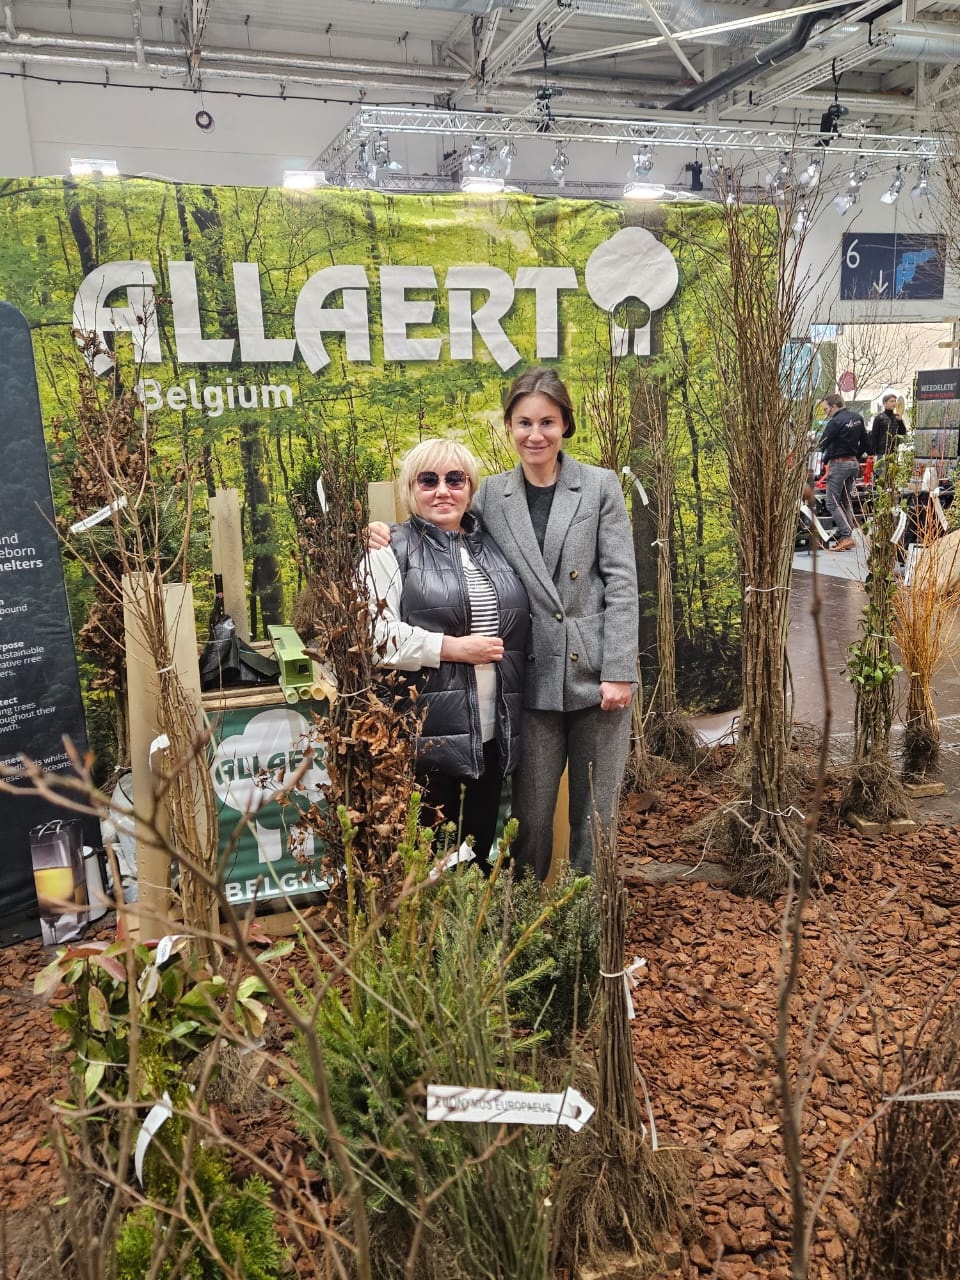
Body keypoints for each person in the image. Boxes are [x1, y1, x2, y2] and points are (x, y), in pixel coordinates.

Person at [368, 368, 638, 880]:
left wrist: (619, 669)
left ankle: (591, 917)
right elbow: (440, 527)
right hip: (530, 680)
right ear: (509, 427)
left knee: (597, 814)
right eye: (524, 423)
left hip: (596, 672)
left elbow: (622, 582)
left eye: (547, 422)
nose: (536, 435)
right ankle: (526, 914)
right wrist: (381, 532)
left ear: (565, 425)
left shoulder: (599, 486)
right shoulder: (491, 494)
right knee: (528, 818)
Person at [362, 439, 529, 872]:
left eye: (455, 479)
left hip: (493, 732)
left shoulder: (494, 545)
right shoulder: (389, 549)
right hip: (426, 737)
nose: (442, 491)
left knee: (477, 856)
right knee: (429, 866)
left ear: (470, 488)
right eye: (428, 480)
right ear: (409, 489)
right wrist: (452, 648)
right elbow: (373, 637)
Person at [818, 392, 870, 552]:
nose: (826, 413)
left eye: (826, 409)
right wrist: (855, 455)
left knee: (831, 502)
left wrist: (824, 460)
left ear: (834, 406)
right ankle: (845, 535)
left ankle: (846, 536)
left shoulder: (835, 422)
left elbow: (823, 443)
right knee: (845, 501)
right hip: (853, 464)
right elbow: (866, 443)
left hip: (839, 465)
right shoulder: (858, 418)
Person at [870, 392, 906, 459]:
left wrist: (900, 421)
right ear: (884, 403)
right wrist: (873, 453)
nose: (894, 403)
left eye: (895, 401)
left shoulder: (897, 417)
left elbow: (903, 433)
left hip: (894, 453)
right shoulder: (879, 418)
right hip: (881, 453)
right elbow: (874, 436)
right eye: (891, 401)